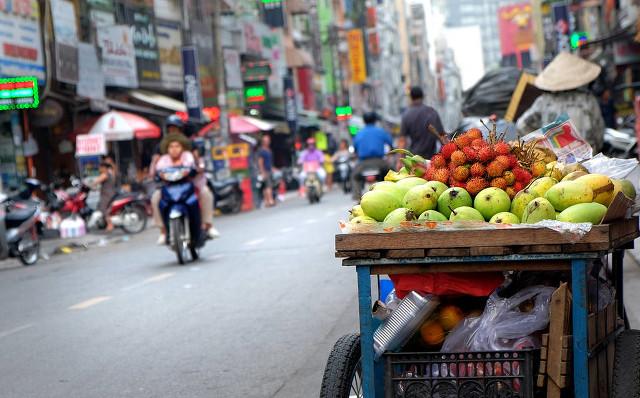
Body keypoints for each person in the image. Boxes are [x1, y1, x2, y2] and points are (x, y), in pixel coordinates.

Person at [516, 52, 605, 154]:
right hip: (586, 159)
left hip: (556, 163)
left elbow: (522, 125)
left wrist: (541, 144)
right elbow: (599, 134)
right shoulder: (588, 100)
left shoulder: (544, 101)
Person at [151, 133, 218, 245]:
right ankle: (163, 231)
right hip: (169, 188)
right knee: (155, 198)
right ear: (167, 149)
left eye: (177, 146)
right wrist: (154, 165)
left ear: (182, 147)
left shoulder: (188, 156)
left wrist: (197, 167)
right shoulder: (163, 160)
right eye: (171, 147)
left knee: (206, 193)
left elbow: (193, 167)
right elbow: (156, 172)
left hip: (189, 186)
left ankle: (208, 225)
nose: (174, 149)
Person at [352, 112, 393, 198]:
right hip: (380, 162)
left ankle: (357, 197)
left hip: (363, 163)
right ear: (375, 120)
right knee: (393, 174)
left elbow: (355, 149)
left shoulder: (359, 133)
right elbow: (390, 143)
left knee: (355, 176)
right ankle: (393, 194)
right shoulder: (380, 131)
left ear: (364, 121)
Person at [400, 86, 445, 159]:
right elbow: (442, 136)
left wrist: (400, 160)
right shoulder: (432, 112)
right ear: (422, 96)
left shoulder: (406, 115)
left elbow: (402, 140)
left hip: (415, 159)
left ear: (411, 98)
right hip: (432, 159)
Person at [93, 162, 116, 232]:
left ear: (104, 168)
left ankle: (110, 224)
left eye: (100, 168)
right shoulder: (111, 173)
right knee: (108, 208)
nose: (99, 169)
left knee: (103, 208)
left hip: (106, 195)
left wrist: (93, 184)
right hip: (111, 193)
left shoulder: (105, 174)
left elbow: (96, 181)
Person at [257, 134, 275, 208]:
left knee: (266, 186)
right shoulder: (262, 151)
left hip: (269, 169)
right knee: (268, 186)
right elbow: (260, 162)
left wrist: (273, 168)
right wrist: (262, 172)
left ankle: (267, 201)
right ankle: (270, 200)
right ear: (263, 142)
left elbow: (270, 161)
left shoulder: (269, 150)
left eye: (268, 141)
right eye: (265, 141)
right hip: (265, 171)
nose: (267, 142)